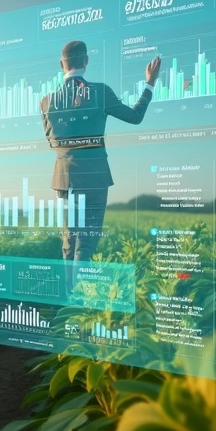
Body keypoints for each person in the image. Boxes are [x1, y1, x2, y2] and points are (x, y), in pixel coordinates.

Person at [39, 40, 161, 284]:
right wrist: (150, 83)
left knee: (69, 238)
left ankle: (69, 294)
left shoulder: (46, 101)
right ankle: (79, 296)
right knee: (87, 239)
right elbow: (135, 117)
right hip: (94, 175)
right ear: (86, 61)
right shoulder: (100, 91)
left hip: (64, 177)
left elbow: (50, 138)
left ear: (61, 64)